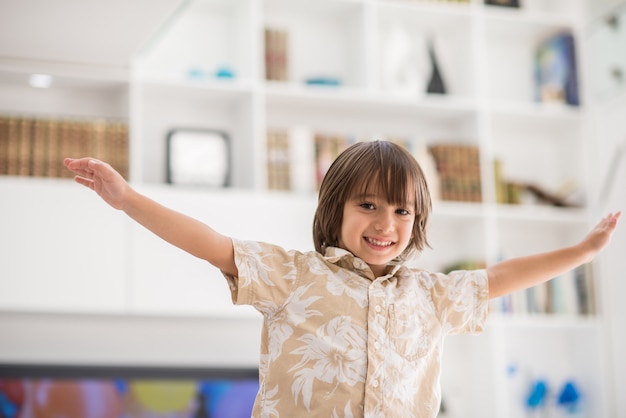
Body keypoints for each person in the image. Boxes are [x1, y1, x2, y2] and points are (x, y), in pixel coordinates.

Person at [64, 141, 620, 418]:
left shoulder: (431, 295)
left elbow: (499, 278)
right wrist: (127, 199)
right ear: (337, 208)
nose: (386, 224)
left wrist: (583, 249)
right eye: (369, 205)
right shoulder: (294, 276)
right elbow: (210, 244)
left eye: (403, 212)